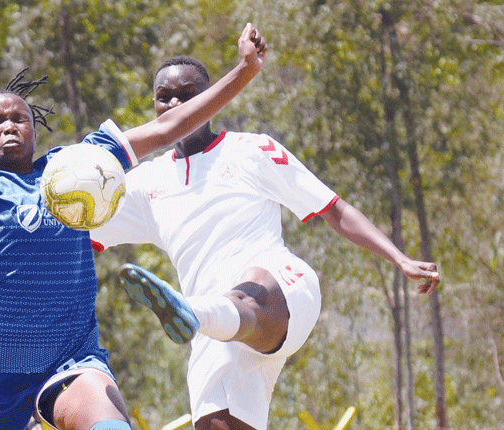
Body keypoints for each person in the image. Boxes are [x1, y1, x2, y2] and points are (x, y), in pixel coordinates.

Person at [0, 24, 267, 430]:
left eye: (20, 119)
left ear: (35, 131)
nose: (10, 126)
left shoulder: (76, 165)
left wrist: (244, 72)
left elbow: (165, 130)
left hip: (69, 359)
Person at [89, 55, 440, 430]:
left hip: (280, 291)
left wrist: (399, 259)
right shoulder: (144, 184)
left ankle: (194, 311)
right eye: (164, 97)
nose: (175, 105)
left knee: (247, 294)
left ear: (208, 98)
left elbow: (334, 210)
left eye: (188, 94)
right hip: (214, 341)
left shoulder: (252, 150)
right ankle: (198, 315)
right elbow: (78, 232)